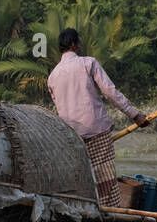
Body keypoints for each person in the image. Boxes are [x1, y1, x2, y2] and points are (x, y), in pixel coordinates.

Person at [46, 28, 149, 207]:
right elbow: (110, 92)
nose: (81, 45)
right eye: (79, 42)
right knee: (105, 182)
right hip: (96, 131)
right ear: (73, 44)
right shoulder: (88, 63)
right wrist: (135, 115)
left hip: (71, 137)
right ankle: (108, 215)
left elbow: (58, 109)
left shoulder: (52, 76)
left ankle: (80, 210)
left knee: (79, 180)